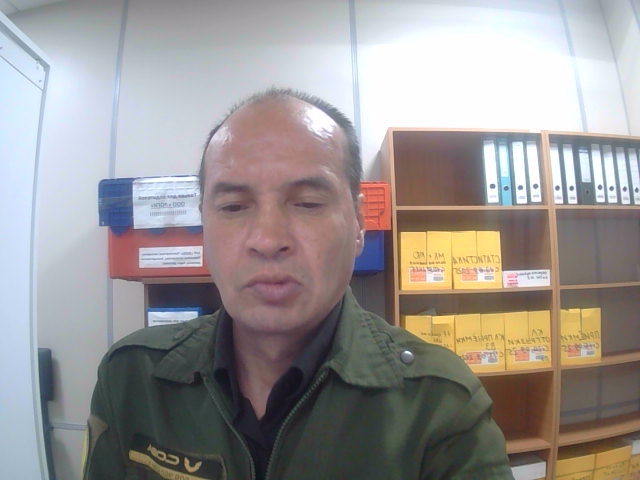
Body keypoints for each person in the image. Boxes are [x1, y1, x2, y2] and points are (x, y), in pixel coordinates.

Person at [83, 88, 515, 479]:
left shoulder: (438, 405)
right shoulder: (132, 379)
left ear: (359, 224)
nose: (268, 240)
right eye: (233, 207)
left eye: (307, 203)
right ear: (204, 228)